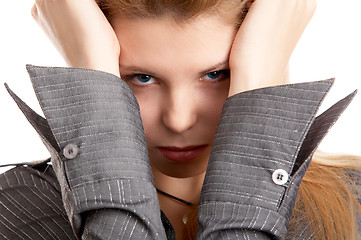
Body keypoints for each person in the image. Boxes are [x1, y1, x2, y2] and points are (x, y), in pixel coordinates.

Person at [0, 0, 360, 239]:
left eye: (216, 75)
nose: (179, 120)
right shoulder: (14, 208)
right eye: (141, 78)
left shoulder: (354, 202)